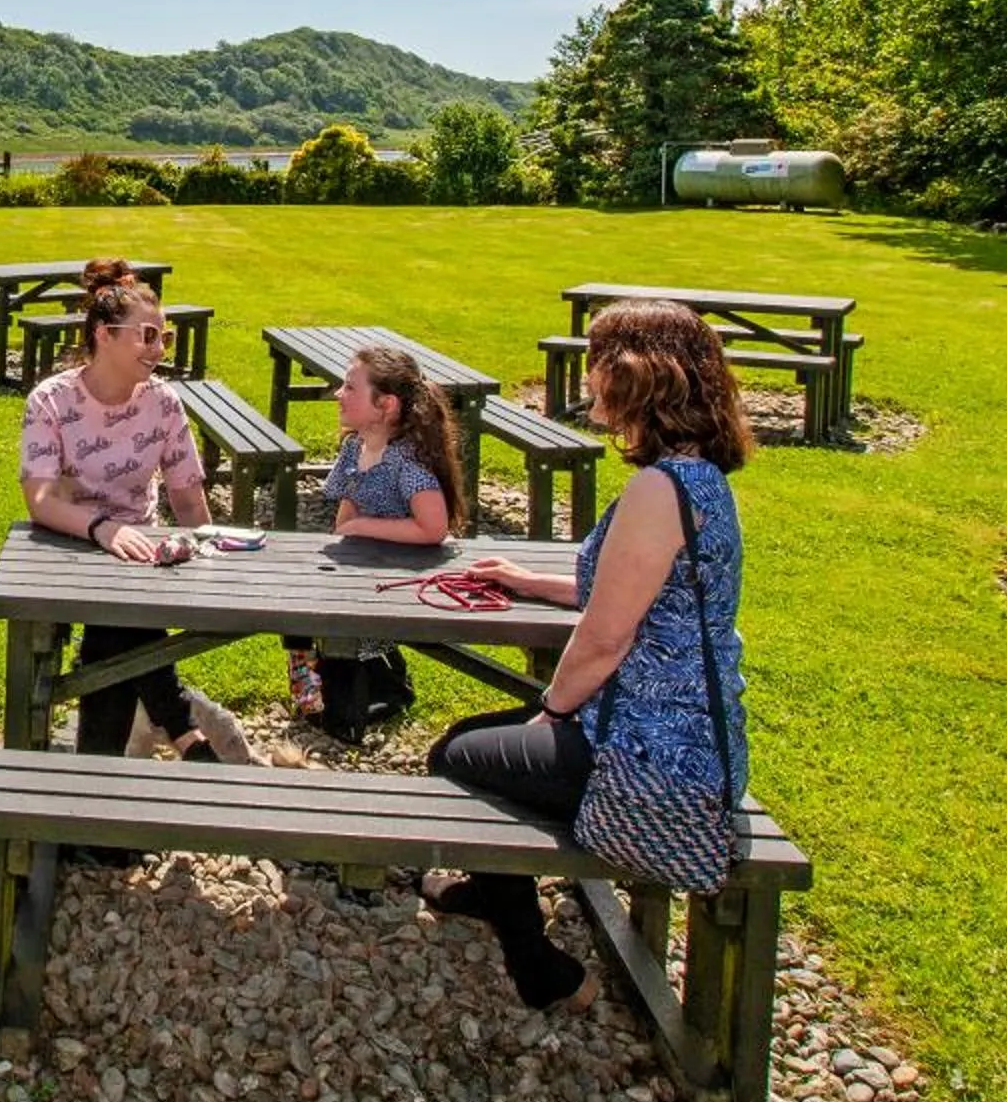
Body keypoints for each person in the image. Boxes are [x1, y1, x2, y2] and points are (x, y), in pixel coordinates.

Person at [423, 300, 754, 1011]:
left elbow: (605, 639)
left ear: (637, 376)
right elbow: (630, 590)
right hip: (685, 740)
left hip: (651, 757)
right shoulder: (696, 480)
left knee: (456, 759)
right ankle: (491, 890)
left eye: (598, 361)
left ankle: (536, 964)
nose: (588, 377)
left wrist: (552, 712)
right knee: (469, 741)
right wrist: (524, 581)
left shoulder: (659, 491)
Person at [18, 259, 227, 764]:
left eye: (165, 338)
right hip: (67, 545)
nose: (159, 350)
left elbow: (186, 495)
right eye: (148, 336)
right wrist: (101, 528)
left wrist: (210, 551)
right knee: (120, 624)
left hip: (140, 551)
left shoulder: (164, 403)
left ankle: (96, 790)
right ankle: (180, 727)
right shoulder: (52, 400)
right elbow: (41, 501)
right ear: (103, 334)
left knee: (112, 640)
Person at [285, 347, 461, 734]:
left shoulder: (406, 460)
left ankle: (365, 696)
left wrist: (363, 527)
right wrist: (343, 535)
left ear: (386, 405)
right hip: (362, 565)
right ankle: (309, 693)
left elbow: (433, 528)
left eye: (350, 387)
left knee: (349, 644)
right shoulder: (355, 446)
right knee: (298, 610)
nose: (338, 393)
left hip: (398, 575)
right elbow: (348, 500)